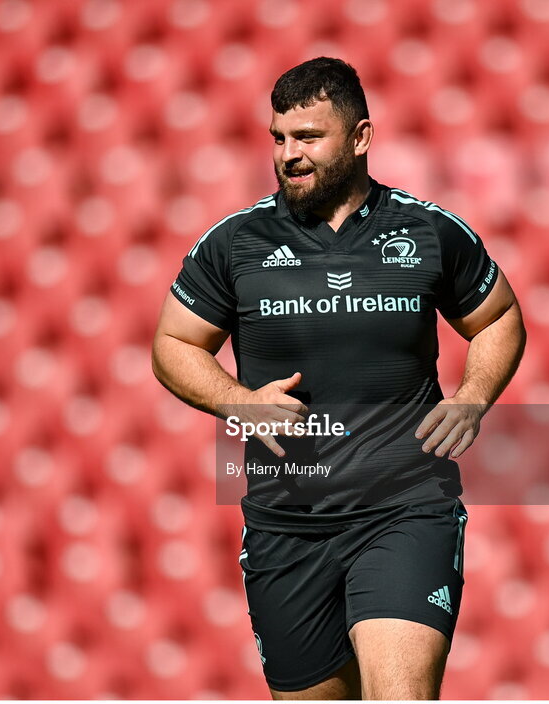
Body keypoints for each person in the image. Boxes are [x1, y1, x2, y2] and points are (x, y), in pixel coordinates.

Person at [152, 57, 525, 700]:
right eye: (278, 138)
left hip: (405, 507)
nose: (289, 155)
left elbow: (499, 319)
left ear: (360, 138)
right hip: (286, 521)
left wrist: (472, 398)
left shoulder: (428, 231)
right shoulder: (235, 242)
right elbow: (172, 343)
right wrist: (237, 401)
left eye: (308, 138)